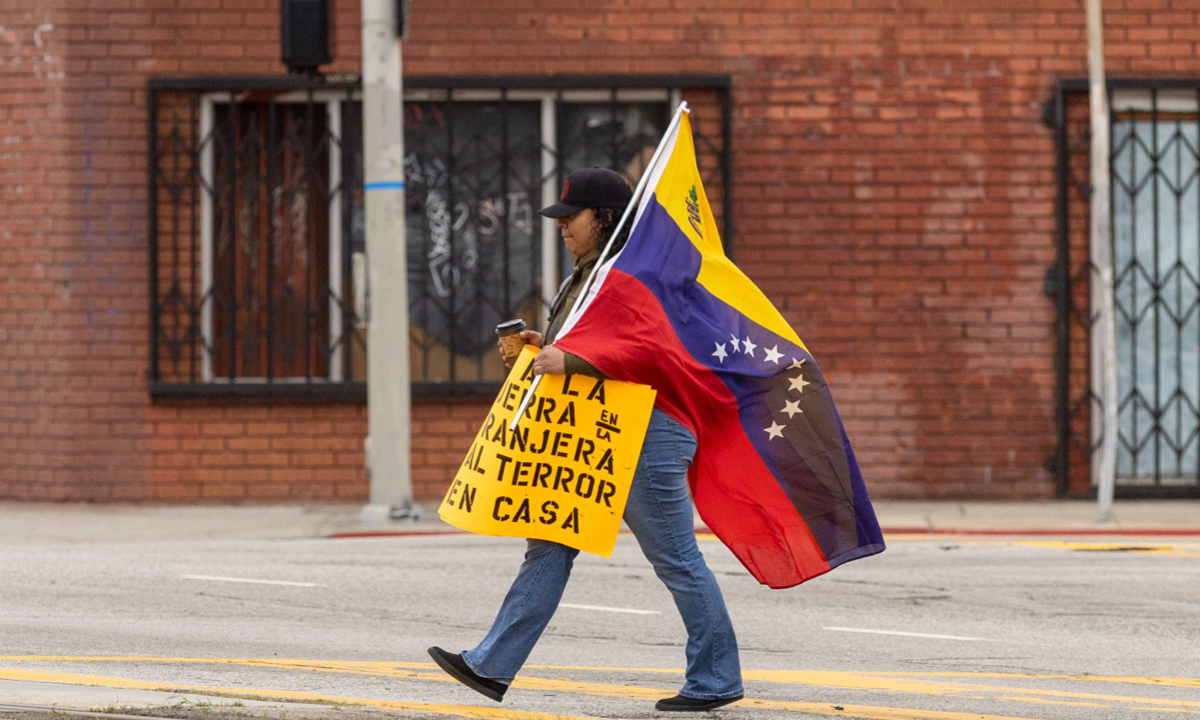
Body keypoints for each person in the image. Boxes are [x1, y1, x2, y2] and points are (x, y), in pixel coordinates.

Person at [428, 167, 743, 712]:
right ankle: (490, 666)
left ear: (604, 217)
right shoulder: (587, 271)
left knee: (675, 558)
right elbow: (592, 343)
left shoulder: (636, 273)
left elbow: (653, 348)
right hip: (594, 432)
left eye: (571, 218)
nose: (562, 227)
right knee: (547, 546)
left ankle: (716, 680)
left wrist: (569, 358)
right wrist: (541, 344)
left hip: (649, 428)